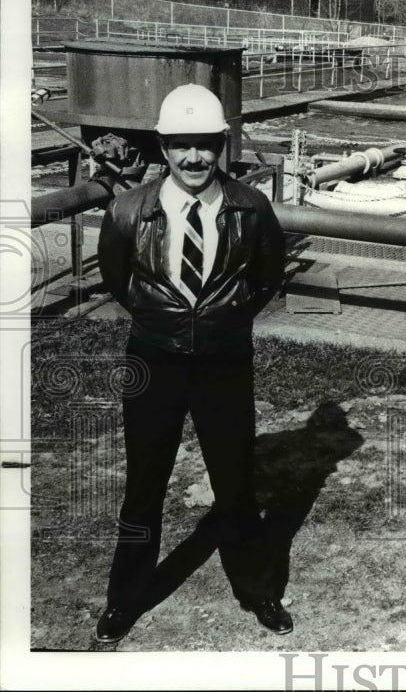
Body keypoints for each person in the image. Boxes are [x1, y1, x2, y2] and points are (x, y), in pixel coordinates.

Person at [95, 83, 288, 643]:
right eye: (181, 145)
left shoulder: (251, 208)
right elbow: (119, 282)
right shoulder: (129, 210)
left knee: (235, 483)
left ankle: (256, 590)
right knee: (143, 484)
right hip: (153, 362)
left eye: (205, 144)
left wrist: (219, 321)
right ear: (163, 147)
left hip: (225, 365)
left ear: (221, 145)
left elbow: (267, 279)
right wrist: (169, 322)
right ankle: (125, 599)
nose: (194, 157)